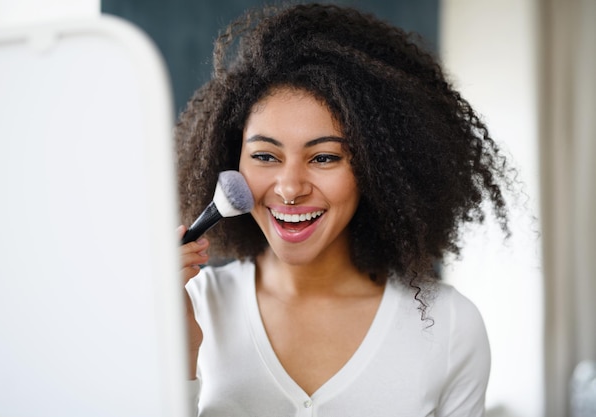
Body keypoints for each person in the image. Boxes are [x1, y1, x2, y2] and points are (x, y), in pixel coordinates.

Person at [175, 3, 513, 416]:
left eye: (324, 158)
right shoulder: (194, 307)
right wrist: (177, 360)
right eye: (265, 156)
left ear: (377, 168)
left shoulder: (448, 326)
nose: (290, 188)